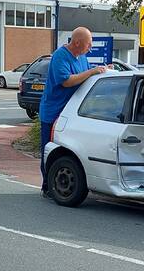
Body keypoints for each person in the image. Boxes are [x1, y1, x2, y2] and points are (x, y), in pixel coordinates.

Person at [38, 26, 107, 197]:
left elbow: (87, 74)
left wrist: (102, 71)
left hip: (71, 113)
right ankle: (48, 185)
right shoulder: (60, 57)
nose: (90, 48)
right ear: (76, 43)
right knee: (50, 148)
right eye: (88, 45)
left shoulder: (82, 57)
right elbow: (67, 81)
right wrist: (92, 71)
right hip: (53, 112)